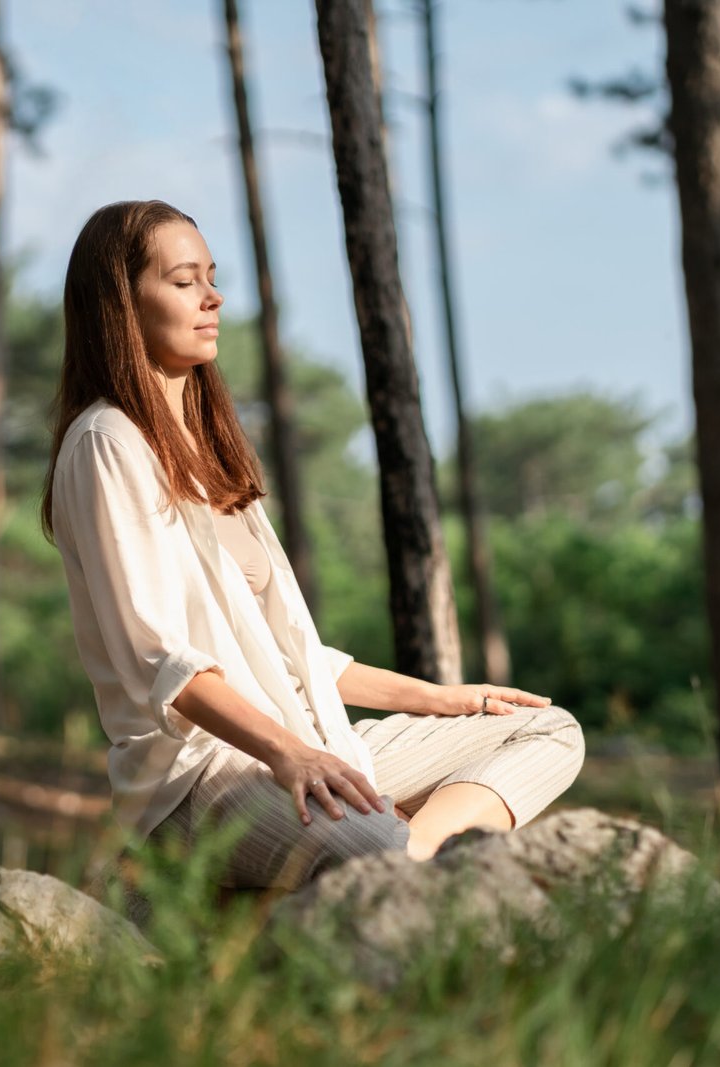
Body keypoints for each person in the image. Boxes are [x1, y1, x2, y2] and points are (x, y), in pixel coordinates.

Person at [40, 200, 584, 891]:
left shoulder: (207, 452)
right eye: (184, 282)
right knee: (373, 852)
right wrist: (288, 753)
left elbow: (294, 657)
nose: (213, 297)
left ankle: (414, 853)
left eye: (211, 276)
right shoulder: (105, 442)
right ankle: (396, 861)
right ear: (120, 301)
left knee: (546, 730)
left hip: (310, 736)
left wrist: (443, 699)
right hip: (210, 769)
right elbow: (160, 662)